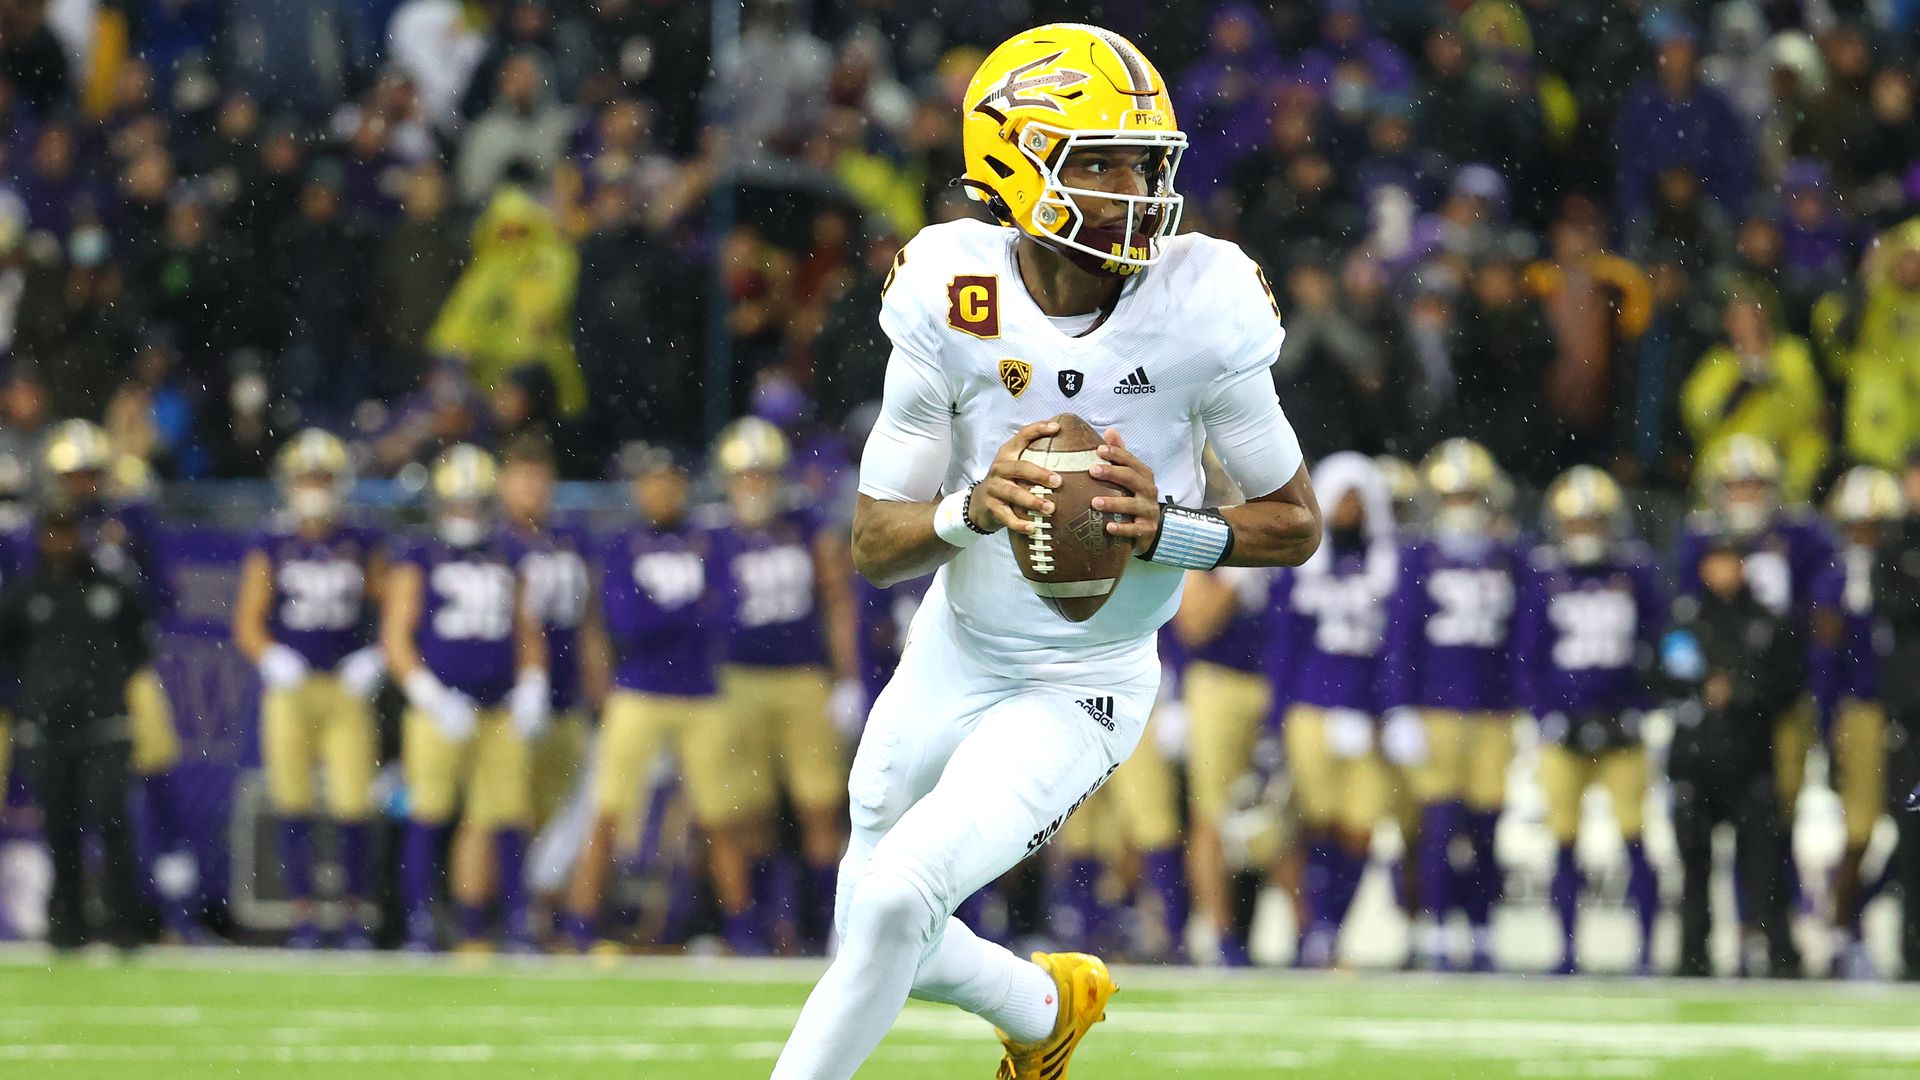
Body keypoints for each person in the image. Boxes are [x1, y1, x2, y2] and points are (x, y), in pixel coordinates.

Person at [772, 24, 1319, 1079]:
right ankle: (1045, 1006)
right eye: (1100, 161)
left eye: (1145, 159)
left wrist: (1172, 530)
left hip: (1087, 679)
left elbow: (1294, 522)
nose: (1137, 187)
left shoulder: (1202, 299)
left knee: (898, 896)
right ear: (1012, 164)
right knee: (873, 921)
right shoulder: (948, 287)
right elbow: (877, 543)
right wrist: (973, 507)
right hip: (958, 646)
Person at [561, 446, 748, 954]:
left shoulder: (707, 541)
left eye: (668, 481)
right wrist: (686, 613)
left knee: (718, 817)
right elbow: (626, 621)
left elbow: (727, 610)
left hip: (698, 692)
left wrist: (666, 616)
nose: (660, 492)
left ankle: (741, 928)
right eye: (651, 482)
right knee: (607, 813)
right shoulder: (623, 544)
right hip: (639, 689)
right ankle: (580, 923)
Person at [381, 444, 549, 952]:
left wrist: (533, 683)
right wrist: (429, 694)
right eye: (458, 502)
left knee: (507, 815)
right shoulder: (420, 553)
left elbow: (526, 629)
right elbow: (396, 634)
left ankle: (515, 922)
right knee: (428, 812)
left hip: (499, 704)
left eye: (474, 502)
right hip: (441, 705)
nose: (466, 513)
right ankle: (420, 922)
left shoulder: (508, 552)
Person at [37, 420, 198, 940]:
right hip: (52, 679)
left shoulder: (128, 521)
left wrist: (118, 576)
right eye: (73, 474)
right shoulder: (39, 527)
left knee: (157, 777)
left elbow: (163, 597)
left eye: (89, 473)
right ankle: (66, 906)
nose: (82, 484)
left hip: (120, 673)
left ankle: (175, 907)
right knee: (54, 791)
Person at [706, 416, 861, 954]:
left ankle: (826, 922)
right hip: (738, 678)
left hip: (802, 677)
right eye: (744, 476)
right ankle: (762, 925)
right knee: (749, 810)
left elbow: (838, 602)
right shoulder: (712, 538)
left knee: (819, 804)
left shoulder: (806, 527)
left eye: (762, 475)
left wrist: (847, 679)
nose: (754, 486)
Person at [230, 430, 385, 949]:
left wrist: (377, 654)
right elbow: (248, 620)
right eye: (307, 478)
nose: (315, 487)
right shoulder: (274, 541)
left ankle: (352, 912)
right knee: (292, 800)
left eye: (323, 477)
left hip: (344, 684)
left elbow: (393, 606)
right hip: (292, 689)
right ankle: (303, 915)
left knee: (353, 802)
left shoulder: (360, 539)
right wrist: (271, 654)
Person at [1379, 438, 1524, 973]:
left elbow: (1521, 640)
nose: (1462, 506)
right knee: (1438, 826)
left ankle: (1482, 926)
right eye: (1453, 495)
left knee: (1487, 825)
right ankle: (1436, 925)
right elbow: (1401, 637)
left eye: (1470, 495)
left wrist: (1526, 701)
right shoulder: (1418, 556)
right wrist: (1398, 706)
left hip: (1494, 708)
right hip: (1435, 706)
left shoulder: (1512, 557)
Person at [1515, 466, 1664, 976]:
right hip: (1565, 726)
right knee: (1563, 839)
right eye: (1576, 523)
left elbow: (1660, 643)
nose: (1585, 532)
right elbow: (1526, 655)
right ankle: (1566, 950)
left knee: (1635, 836)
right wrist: (1546, 714)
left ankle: (1647, 949)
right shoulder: (1543, 574)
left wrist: (1643, 707)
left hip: (1621, 723)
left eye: (1594, 522)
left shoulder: (1635, 571)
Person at [1268, 453, 1397, 970]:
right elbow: (1283, 646)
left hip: (1364, 714)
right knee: (1315, 826)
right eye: (1341, 496)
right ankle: (1315, 930)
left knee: (1362, 829)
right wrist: (1274, 719)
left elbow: (1395, 646)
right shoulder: (1302, 562)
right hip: (1312, 709)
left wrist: (1383, 710)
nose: (1349, 508)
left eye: (1358, 498)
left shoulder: (1390, 563)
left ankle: (1333, 926)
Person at [0, 511, 149, 950]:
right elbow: (6, 651)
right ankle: (69, 921)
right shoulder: (27, 593)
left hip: (103, 723)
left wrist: (107, 684)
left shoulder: (109, 585)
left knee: (109, 817)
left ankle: (124, 920)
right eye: (53, 531)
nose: (61, 541)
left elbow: (140, 639)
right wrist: (30, 696)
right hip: (47, 727)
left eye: (68, 531)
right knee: (60, 825)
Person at [1663, 534, 1803, 978]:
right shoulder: (1686, 619)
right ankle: (1691, 956)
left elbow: (1788, 686)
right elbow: (1661, 675)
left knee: (1764, 870)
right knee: (1694, 870)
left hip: (1749, 758)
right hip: (1695, 759)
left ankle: (1780, 955)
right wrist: (1702, 689)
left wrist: (1740, 692)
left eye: (1731, 562)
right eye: (1716, 562)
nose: (1724, 571)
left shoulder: (1767, 620)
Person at [1811, 466, 1903, 978]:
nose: (1866, 537)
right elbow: (1826, 663)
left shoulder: (1907, 566)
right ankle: (1843, 927)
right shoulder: (1833, 578)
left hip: (1906, 709)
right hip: (1861, 710)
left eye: (1876, 526)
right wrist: (1828, 727)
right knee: (1861, 829)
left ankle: (1858, 910)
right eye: (1858, 526)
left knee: (1909, 829)